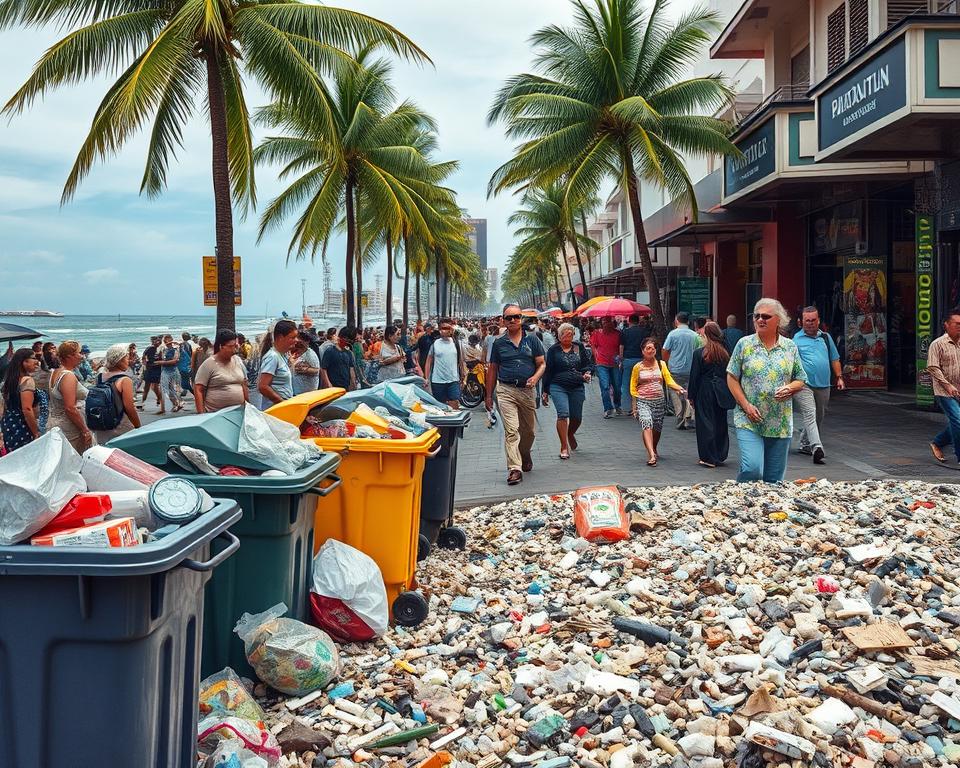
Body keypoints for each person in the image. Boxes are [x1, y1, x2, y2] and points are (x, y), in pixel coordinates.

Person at [727, 298, 808, 483]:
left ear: (778, 320)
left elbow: (801, 379)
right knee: (752, 468)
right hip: (749, 418)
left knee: (774, 481)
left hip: (779, 422)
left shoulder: (790, 347)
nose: (760, 320)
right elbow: (731, 377)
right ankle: (742, 496)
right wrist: (746, 405)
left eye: (766, 316)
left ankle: (765, 509)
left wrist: (790, 388)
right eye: (757, 316)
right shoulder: (744, 344)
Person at [486, 304, 546, 485]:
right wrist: (488, 395)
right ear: (503, 320)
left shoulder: (533, 340)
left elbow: (542, 364)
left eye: (516, 317)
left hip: (527, 391)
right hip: (506, 390)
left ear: (521, 319)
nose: (513, 320)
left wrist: (535, 378)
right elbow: (493, 368)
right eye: (509, 317)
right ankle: (514, 468)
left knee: (529, 432)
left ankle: (525, 453)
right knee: (511, 431)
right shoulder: (499, 343)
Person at [792, 306, 844, 464]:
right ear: (801, 322)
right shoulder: (795, 340)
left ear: (818, 321)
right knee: (810, 414)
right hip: (804, 384)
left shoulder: (826, 338)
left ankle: (805, 443)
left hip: (824, 384)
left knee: (818, 416)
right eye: (807, 320)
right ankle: (817, 447)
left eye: (813, 320)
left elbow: (834, 359)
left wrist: (839, 377)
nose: (810, 323)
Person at [541, 322, 594, 459]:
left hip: (577, 384)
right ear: (559, 336)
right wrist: (545, 390)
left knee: (577, 417)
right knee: (563, 414)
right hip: (558, 385)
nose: (567, 337)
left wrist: (587, 372)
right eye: (564, 335)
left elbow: (587, 364)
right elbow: (548, 370)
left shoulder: (578, 347)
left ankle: (570, 433)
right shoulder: (553, 350)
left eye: (570, 335)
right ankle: (564, 446)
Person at [629, 338, 685, 467]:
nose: (651, 350)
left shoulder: (661, 364)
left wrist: (679, 388)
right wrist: (634, 406)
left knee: (657, 427)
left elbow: (669, 380)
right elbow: (632, 387)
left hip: (659, 401)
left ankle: (653, 447)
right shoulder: (637, 367)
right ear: (642, 351)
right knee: (646, 424)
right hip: (643, 400)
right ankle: (651, 455)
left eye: (653, 348)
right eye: (648, 348)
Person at [688, 322, 734, 468]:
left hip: (704, 390)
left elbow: (694, 376)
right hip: (721, 390)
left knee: (705, 423)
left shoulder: (700, 353)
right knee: (720, 422)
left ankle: (708, 457)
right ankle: (720, 453)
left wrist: (691, 396)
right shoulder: (726, 353)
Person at [47, 341, 94, 454]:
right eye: (78, 353)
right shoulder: (68, 376)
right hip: (69, 427)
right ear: (69, 356)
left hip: (54, 422)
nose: (81, 356)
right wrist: (85, 430)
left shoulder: (54, 372)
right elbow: (70, 408)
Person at [90, 344, 142, 444]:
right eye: (126, 358)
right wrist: (138, 427)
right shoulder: (124, 380)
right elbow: (129, 407)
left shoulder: (100, 377)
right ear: (120, 360)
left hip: (103, 424)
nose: (128, 361)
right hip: (120, 424)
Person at [928, 308, 960, 464]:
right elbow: (933, 367)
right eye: (956, 323)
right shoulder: (937, 344)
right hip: (944, 391)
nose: (959, 326)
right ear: (946, 325)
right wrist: (947, 385)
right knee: (958, 420)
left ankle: (938, 442)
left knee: (957, 421)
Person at [1, 347, 48, 452]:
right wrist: (36, 432)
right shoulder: (27, 380)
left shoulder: (9, 380)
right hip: (22, 425)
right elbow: (26, 409)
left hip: (9, 423)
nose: (37, 361)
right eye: (33, 358)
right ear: (24, 362)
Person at [194, 329, 249, 413]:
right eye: (231, 346)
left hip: (239, 412)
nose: (235, 349)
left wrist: (248, 406)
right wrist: (201, 414)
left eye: (236, 345)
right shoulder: (209, 364)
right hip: (216, 414)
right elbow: (198, 389)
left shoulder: (238, 360)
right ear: (221, 346)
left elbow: (244, 384)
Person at [662, 311, 701, 429]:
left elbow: (665, 350)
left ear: (676, 320)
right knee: (689, 393)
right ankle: (688, 417)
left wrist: (667, 363)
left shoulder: (672, 334)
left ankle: (680, 416)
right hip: (690, 369)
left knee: (675, 393)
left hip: (675, 369)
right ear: (688, 322)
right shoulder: (694, 335)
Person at [425, 318, 466, 409]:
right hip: (437, 381)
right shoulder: (435, 344)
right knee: (440, 407)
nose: (446, 330)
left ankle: (455, 422)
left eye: (448, 328)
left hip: (453, 380)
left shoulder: (456, 343)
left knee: (454, 405)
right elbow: (428, 362)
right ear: (439, 329)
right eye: (443, 328)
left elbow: (460, 360)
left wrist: (463, 375)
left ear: (452, 329)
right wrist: (426, 378)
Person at [257, 319, 297, 409]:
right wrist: (282, 403)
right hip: (276, 411)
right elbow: (263, 386)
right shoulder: (272, 357)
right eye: (292, 337)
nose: (296, 340)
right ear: (280, 337)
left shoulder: (281, 355)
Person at [590, 316, 622, 418]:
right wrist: (596, 357)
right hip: (601, 363)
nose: (606, 324)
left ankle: (617, 405)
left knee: (617, 387)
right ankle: (608, 408)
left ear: (612, 323)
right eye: (604, 322)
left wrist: (620, 358)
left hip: (614, 364)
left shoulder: (618, 334)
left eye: (608, 322)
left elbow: (621, 347)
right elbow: (593, 346)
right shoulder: (597, 333)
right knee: (605, 386)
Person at [619, 314, 646, 413]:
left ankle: (629, 407)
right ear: (638, 321)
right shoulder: (643, 332)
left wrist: (621, 358)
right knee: (640, 384)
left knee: (626, 384)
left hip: (628, 359)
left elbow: (621, 346)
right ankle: (640, 406)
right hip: (640, 360)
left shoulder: (624, 332)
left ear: (629, 321)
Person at [320, 326, 358, 390]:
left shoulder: (349, 353)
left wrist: (353, 383)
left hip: (345, 386)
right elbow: (323, 369)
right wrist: (328, 384)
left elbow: (351, 369)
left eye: (350, 340)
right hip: (333, 386)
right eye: (346, 339)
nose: (347, 342)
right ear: (341, 337)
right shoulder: (330, 351)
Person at [156, 334, 183, 413]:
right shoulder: (163, 348)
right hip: (165, 370)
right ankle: (175, 403)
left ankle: (176, 403)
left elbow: (175, 360)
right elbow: (158, 355)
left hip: (173, 370)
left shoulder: (176, 348)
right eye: (165, 340)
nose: (166, 341)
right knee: (165, 388)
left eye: (168, 340)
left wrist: (161, 362)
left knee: (173, 388)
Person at [291, 331, 321, 395]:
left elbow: (317, 370)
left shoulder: (310, 354)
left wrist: (305, 369)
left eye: (302, 340)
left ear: (307, 342)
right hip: (296, 392)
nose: (299, 341)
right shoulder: (294, 351)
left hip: (306, 393)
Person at [140, 336, 163, 412]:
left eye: (159, 341)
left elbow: (163, 359)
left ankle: (160, 400)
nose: (157, 343)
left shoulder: (161, 349)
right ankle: (142, 402)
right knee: (146, 387)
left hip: (157, 369)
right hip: (149, 369)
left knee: (155, 387)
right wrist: (145, 364)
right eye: (156, 341)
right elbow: (143, 357)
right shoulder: (149, 348)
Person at [179, 331, 195, 396]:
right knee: (188, 378)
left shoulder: (183, 344)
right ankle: (186, 391)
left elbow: (185, 354)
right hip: (190, 363)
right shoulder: (191, 343)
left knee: (185, 378)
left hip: (186, 364)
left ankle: (194, 392)